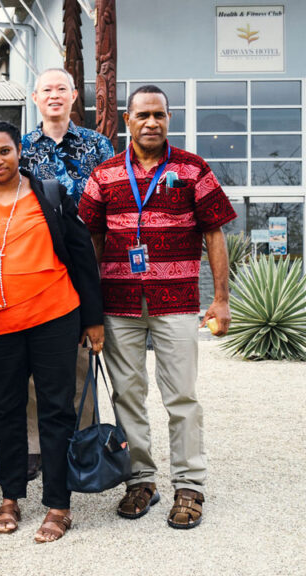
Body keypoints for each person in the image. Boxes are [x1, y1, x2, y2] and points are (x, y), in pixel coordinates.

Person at [79, 85, 235, 530]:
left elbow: (215, 234)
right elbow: (88, 239)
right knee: (126, 394)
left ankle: (189, 484)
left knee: (181, 396)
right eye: (143, 115)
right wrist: (88, 307)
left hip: (178, 302)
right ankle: (141, 480)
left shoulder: (192, 169)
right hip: (118, 304)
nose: (152, 122)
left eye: (160, 115)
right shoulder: (106, 173)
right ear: (126, 120)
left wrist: (221, 300)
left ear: (169, 119)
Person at [0, 121, 104, 543]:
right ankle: (11, 495)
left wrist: (93, 319)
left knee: (56, 410)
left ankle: (58, 504)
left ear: (19, 152)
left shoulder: (49, 194)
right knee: (6, 412)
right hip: (0, 325)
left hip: (55, 316)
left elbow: (82, 255)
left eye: (4, 151)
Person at [19, 67, 115, 482]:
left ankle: (82, 443)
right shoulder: (20, 148)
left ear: (75, 97)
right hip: (36, 268)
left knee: (80, 362)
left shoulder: (98, 145)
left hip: (85, 268)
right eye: (47, 90)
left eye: (62, 89)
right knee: (32, 365)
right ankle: (34, 448)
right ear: (35, 98)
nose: (54, 96)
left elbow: (115, 203)